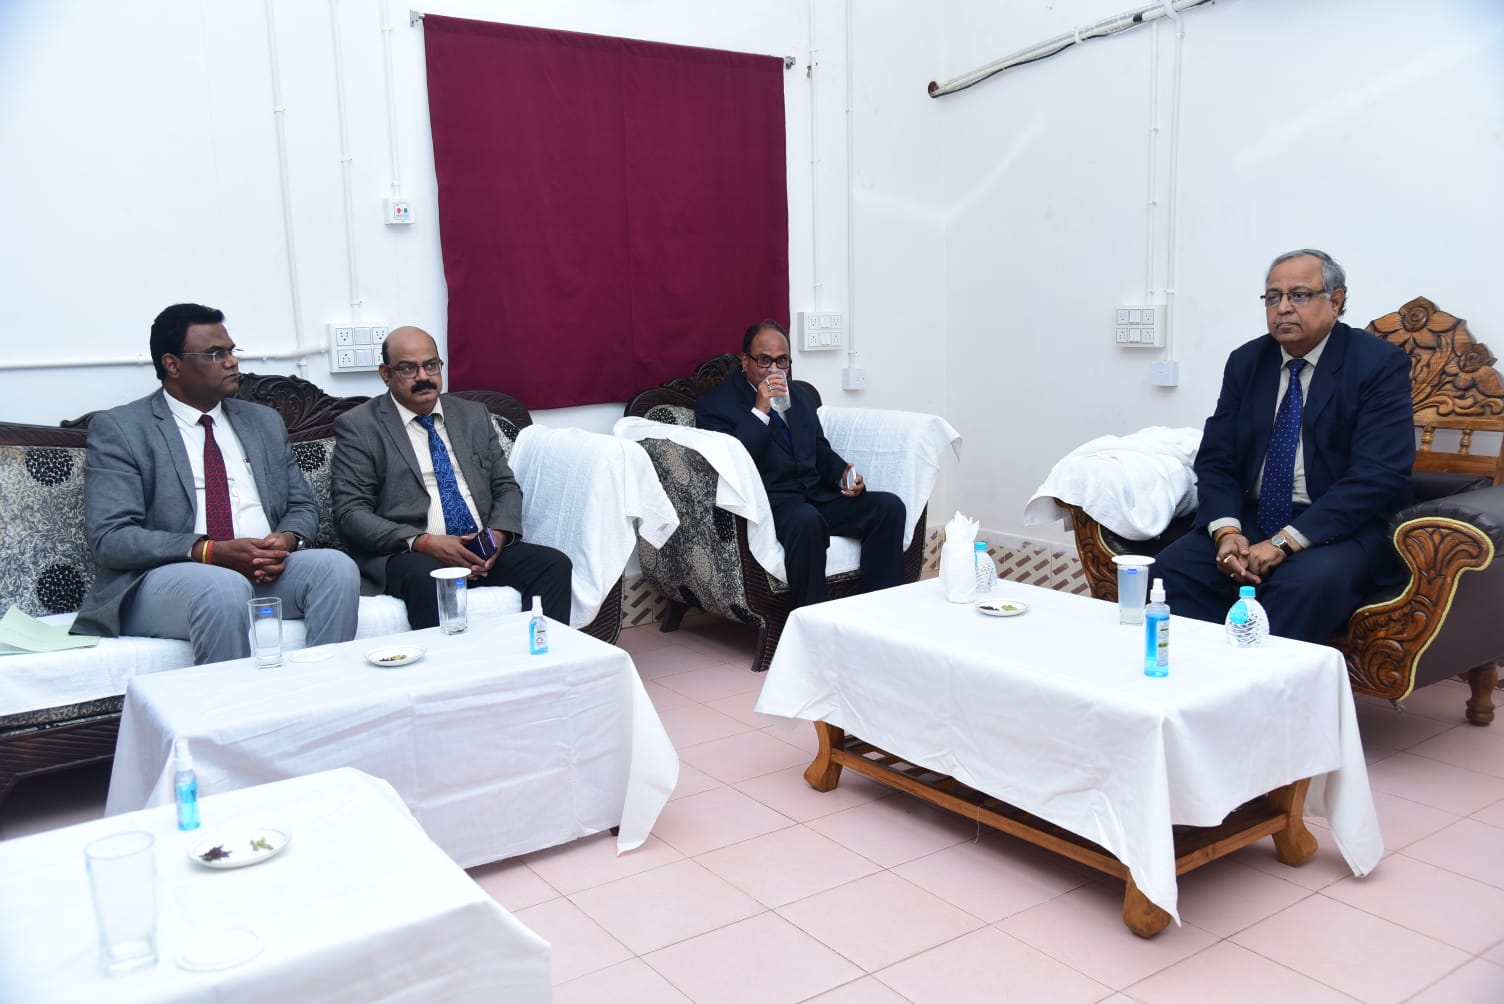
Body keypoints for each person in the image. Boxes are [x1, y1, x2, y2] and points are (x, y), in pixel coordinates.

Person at [71, 303, 361, 663]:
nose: (232, 362)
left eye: (231, 351)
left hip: (263, 570)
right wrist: (207, 551)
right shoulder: (123, 429)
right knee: (223, 587)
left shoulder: (263, 421)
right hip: (168, 580)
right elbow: (111, 538)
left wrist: (285, 539)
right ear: (172, 364)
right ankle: (231, 699)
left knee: (335, 567)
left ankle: (321, 690)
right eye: (215, 354)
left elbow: (301, 506)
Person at [1153, 249, 1415, 642]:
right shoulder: (1247, 361)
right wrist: (1227, 532)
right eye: (1273, 297)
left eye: (1300, 295)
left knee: (1301, 586)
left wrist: (1285, 542)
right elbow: (1217, 458)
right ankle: (1193, 675)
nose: (1283, 308)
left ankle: (1260, 681)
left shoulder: (1377, 364)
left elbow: (1379, 476)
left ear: (1336, 301)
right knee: (1172, 570)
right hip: (1254, 517)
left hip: (1340, 527)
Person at [330, 326, 572, 628]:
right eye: (408, 368)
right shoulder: (360, 426)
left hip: (479, 547)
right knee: (426, 577)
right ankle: (447, 660)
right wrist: (425, 543)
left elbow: (505, 486)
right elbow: (351, 513)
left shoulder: (473, 415)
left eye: (431, 365)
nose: (423, 377)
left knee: (553, 565)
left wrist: (496, 536)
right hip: (410, 552)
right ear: (386, 374)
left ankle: (543, 654)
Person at [695, 318, 906, 608]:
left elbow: (818, 448)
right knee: (807, 521)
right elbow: (734, 463)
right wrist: (760, 410)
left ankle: (879, 611)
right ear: (745, 361)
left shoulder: (801, 397)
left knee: (889, 507)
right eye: (764, 360)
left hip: (816, 496)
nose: (774, 369)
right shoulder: (716, 405)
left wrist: (842, 474)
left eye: (782, 361)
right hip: (773, 504)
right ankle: (811, 621)